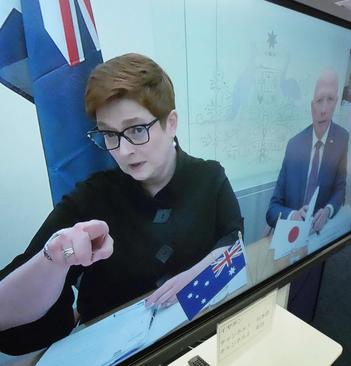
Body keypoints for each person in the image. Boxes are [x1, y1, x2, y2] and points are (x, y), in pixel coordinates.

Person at [0, 53, 243, 354]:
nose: (123, 150)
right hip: (115, 352)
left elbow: (234, 238)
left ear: (171, 123)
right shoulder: (94, 196)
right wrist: (53, 259)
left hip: (195, 338)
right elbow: (8, 315)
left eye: (137, 129)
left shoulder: (209, 177)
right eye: (109, 135)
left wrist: (201, 273)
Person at [266, 69, 348, 234]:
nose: (324, 109)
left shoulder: (342, 138)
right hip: (289, 236)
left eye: (330, 99)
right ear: (312, 106)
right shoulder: (294, 145)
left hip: (319, 236)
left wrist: (328, 211)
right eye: (319, 100)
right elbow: (272, 210)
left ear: (336, 102)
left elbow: (340, 189)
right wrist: (293, 216)